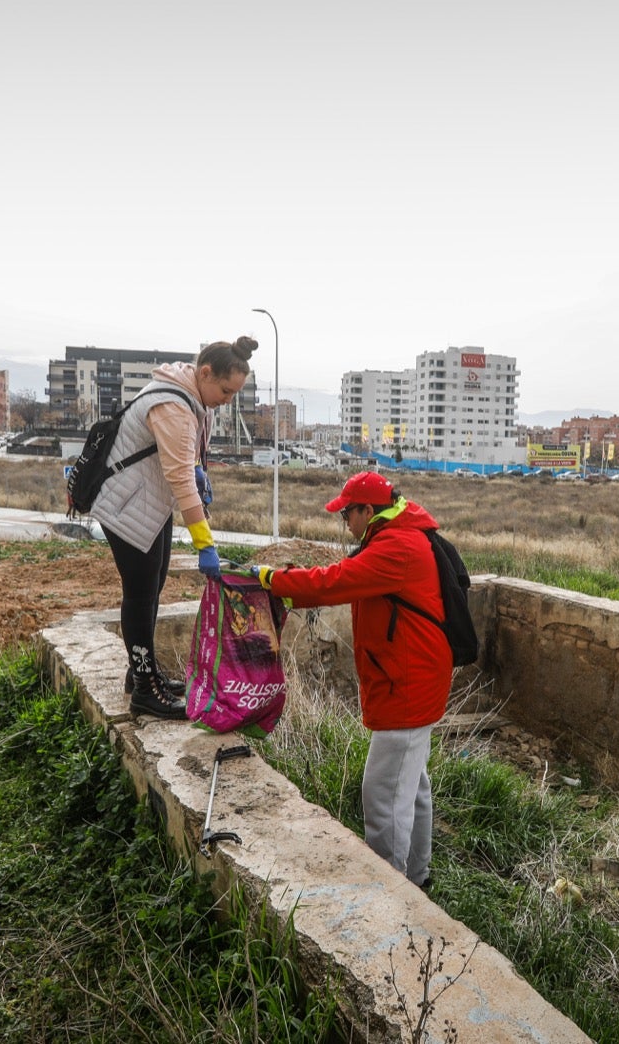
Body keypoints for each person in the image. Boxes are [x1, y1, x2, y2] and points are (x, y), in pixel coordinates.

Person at [246, 471, 451, 889]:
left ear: (368, 511)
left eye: (347, 515)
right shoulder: (401, 533)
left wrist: (273, 580)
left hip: (406, 684)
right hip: (413, 676)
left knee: (382, 793)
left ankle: (392, 892)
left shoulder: (396, 547)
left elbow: (335, 581)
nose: (345, 523)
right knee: (410, 786)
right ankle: (418, 878)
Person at [92, 337, 254, 718]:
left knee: (153, 587)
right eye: (226, 390)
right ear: (205, 373)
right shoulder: (174, 406)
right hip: (127, 504)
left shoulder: (192, 398)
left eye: (235, 394)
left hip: (147, 501)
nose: (228, 400)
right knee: (140, 592)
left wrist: (199, 473)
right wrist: (205, 544)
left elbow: (184, 460)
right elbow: (180, 477)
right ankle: (145, 690)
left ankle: (143, 674)